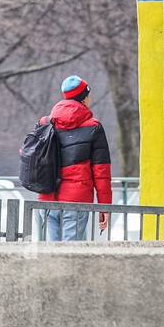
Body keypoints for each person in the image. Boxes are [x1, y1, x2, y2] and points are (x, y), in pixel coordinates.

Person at [37, 76, 113, 241]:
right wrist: (104, 207)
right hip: (76, 200)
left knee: (52, 254)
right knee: (71, 254)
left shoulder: (45, 123)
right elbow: (101, 172)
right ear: (84, 98)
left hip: (47, 197)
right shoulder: (94, 127)